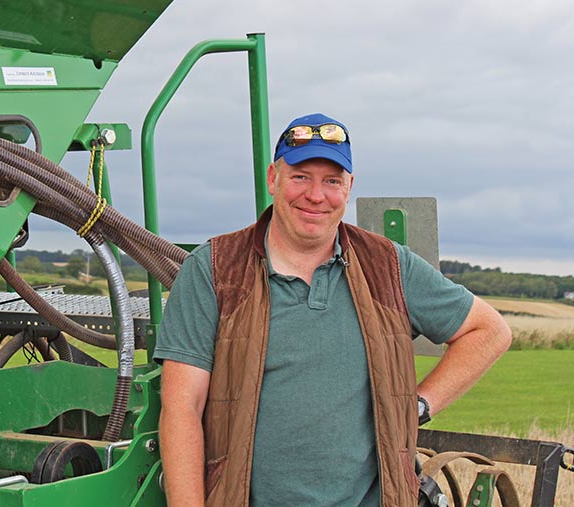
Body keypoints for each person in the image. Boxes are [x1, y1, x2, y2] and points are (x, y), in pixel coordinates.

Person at [154, 113, 512, 506]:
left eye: (332, 181)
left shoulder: (387, 266)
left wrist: (417, 406)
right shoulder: (215, 270)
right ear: (274, 178)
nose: (316, 195)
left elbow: (489, 331)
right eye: (301, 176)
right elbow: (182, 409)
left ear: (349, 188)